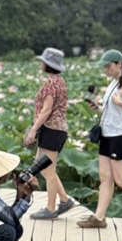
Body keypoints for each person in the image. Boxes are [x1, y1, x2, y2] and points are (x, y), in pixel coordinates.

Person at [77, 49, 122, 229]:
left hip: (121, 136)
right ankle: (99, 218)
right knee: (105, 177)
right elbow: (113, 111)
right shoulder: (113, 83)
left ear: (119, 64)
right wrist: (98, 108)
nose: (106, 70)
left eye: (108, 66)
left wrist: (121, 103)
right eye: (104, 67)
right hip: (107, 135)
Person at [23, 47, 75, 220]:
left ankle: (51, 209)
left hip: (52, 129)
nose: (40, 63)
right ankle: (65, 200)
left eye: (42, 61)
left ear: (47, 64)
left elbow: (46, 110)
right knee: (42, 166)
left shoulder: (51, 83)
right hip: (56, 130)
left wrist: (33, 130)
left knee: (48, 170)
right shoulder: (59, 80)